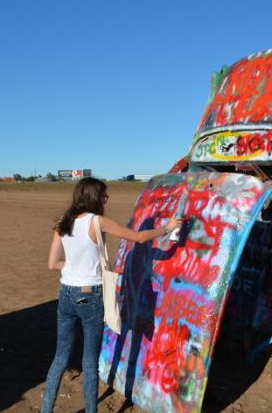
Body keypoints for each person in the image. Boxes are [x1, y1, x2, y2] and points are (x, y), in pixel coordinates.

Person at [41, 177, 180, 413]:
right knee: (89, 361)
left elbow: (52, 264)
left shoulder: (64, 222)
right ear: (95, 197)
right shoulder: (98, 221)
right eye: (104, 196)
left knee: (60, 358)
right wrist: (167, 229)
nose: (106, 200)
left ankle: (45, 410)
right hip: (90, 296)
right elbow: (138, 237)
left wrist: (75, 265)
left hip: (65, 295)